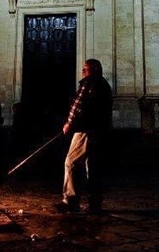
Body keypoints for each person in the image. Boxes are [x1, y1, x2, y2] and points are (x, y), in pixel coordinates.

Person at [54, 59, 113, 214]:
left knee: (71, 162)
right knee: (93, 167)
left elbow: (78, 106)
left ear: (94, 69)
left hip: (85, 129)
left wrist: (69, 123)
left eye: (85, 69)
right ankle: (95, 202)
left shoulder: (89, 83)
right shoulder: (105, 85)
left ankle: (70, 200)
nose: (83, 71)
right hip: (100, 131)